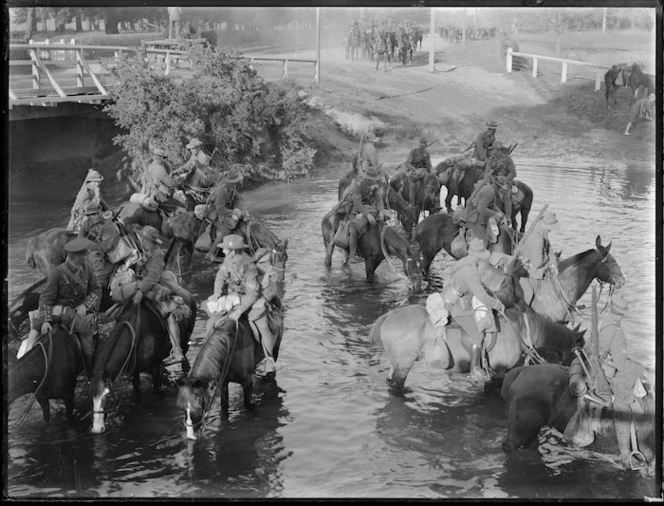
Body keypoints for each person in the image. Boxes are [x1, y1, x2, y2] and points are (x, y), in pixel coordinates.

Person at [18, 238, 100, 376]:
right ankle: (21, 366)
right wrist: (45, 321)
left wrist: (85, 305)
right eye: (84, 255)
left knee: (88, 347)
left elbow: (96, 289)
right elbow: (46, 298)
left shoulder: (87, 269)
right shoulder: (57, 273)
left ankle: (91, 376)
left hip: (77, 313)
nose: (87, 257)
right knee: (33, 336)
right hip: (57, 312)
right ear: (75, 257)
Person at [208, 234, 277, 376]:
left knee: (261, 322)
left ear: (233, 251)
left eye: (226, 249)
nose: (224, 251)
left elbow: (252, 293)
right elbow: (220, 277)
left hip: (247, 297)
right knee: (212, 320)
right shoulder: (228, 259)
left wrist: (240, 311)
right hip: (233, 295)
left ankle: (268, 358)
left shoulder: (249, 266)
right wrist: (216, 293)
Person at [441, 237, 505, 380]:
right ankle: (475, 369)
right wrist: (497, 305)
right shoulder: (472, 272)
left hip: (453, 297)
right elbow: (481, 295)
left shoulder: (463, 262)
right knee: (478, 334)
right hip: (458, 306)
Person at [133, 226, 186, 366]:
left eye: (143, 239)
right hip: (144, 286)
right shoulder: (144, 253)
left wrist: (141, 291)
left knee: (168, 314)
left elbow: (153, 276)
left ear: (149, 241)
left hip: (157, 287)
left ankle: (177, 350)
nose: (141, 241)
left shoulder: (157, 255)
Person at [205, 168, 246, 261]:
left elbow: (238, 199)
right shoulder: (220, 191)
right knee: (226, 230)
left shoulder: (232, 188)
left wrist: (239, 208)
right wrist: (234, 212)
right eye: (234, 182)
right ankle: (210, 253)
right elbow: (220, 209)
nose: (235, 184)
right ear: (228, 181)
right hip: (214, 212)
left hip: (227, 209)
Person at [347, 165, 386, 261]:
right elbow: (357, 203)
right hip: (357, 208)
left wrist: (381, 211)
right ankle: (352, 254)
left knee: (383, 221)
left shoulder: (375, 185)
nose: (373, 180)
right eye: (371, 178)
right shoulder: (358, 185)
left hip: (370, 206)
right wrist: (367, 214)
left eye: (374, 178)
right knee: (354, 228)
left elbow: (379, 199)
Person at [78, 201, 121, 288]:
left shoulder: (108, 225)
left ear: (100, 212)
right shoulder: (86, 224)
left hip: (108, 257)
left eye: (97, 213)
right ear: (89, 216)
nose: (95, 216)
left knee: (97, 281)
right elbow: (80, 239)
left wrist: (88, 243)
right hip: (92, 255)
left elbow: (106, 248)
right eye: (92, 214)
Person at [464, 175, 509, 247]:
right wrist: (496, 214)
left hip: (479, 216)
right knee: (483, 244)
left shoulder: (491, 190)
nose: (502, 190)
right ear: (499, 187)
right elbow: (480, 209)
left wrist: (501, 213)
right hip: (475, 218)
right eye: (502, 188)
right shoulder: (489, 192)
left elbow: (492, 205)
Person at [67, 168, 110, 234]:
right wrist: (97, 196)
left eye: (99, 182)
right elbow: (89, 208)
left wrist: (112, 212)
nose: (98, 184)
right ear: (90, 182)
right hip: (84, 218)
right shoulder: (84, 194)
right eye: (95, 182)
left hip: (95, 216)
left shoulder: (94, 191)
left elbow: (103, 204)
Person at [485, 141, 517, 224]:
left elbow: (513, 173)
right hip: (494, 181)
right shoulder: (491, 160)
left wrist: (505, 180)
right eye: (493, 150)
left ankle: (508, 217)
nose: (493, 152)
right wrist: (488, 182)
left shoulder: (508, 160)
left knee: (506, 196)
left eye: (495, 150)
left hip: (505, 182)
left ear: (499, 150)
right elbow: (487, 172)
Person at [403, 137, 433, 206]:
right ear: (419, 145)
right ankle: (412, 204)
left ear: (426, 146)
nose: (422, 147)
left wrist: (432, 171)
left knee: (433, 183)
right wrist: (415, 170)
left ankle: (434, 203)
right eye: (421, 145)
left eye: (423, 146)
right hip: (414, 173)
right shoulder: (413, 152)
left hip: (424, 172)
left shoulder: (427, 154)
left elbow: (429, 165)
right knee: (413, 186)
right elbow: (407, 163)